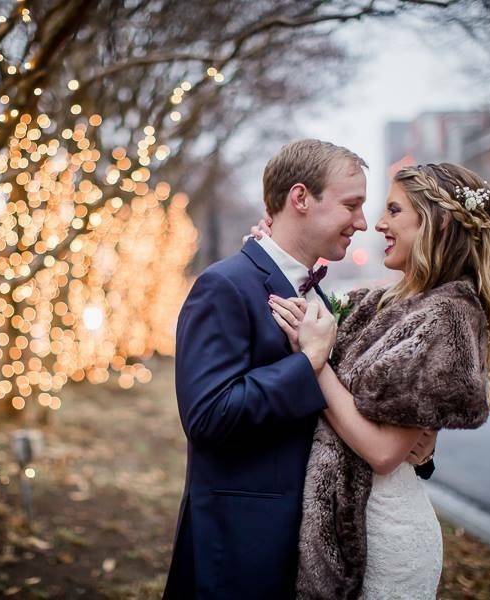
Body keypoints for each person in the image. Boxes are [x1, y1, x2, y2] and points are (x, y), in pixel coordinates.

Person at [163, 140, 435, 599]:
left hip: (309, 556)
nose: (362, 222)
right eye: (351, 205)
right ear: (301, 198)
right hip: (244, 552)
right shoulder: (224, 286)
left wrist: (416, 448)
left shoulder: (323, 300)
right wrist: (307, 363)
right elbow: (207, 417)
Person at [260, 162, 490, 599]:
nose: (378, 223)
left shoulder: (448, 316)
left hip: (381, 538)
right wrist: (273, 246)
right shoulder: (380, 302)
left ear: (438, 222)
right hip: (343, 527)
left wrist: (315, 363)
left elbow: (382, 453)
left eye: (394, 211)